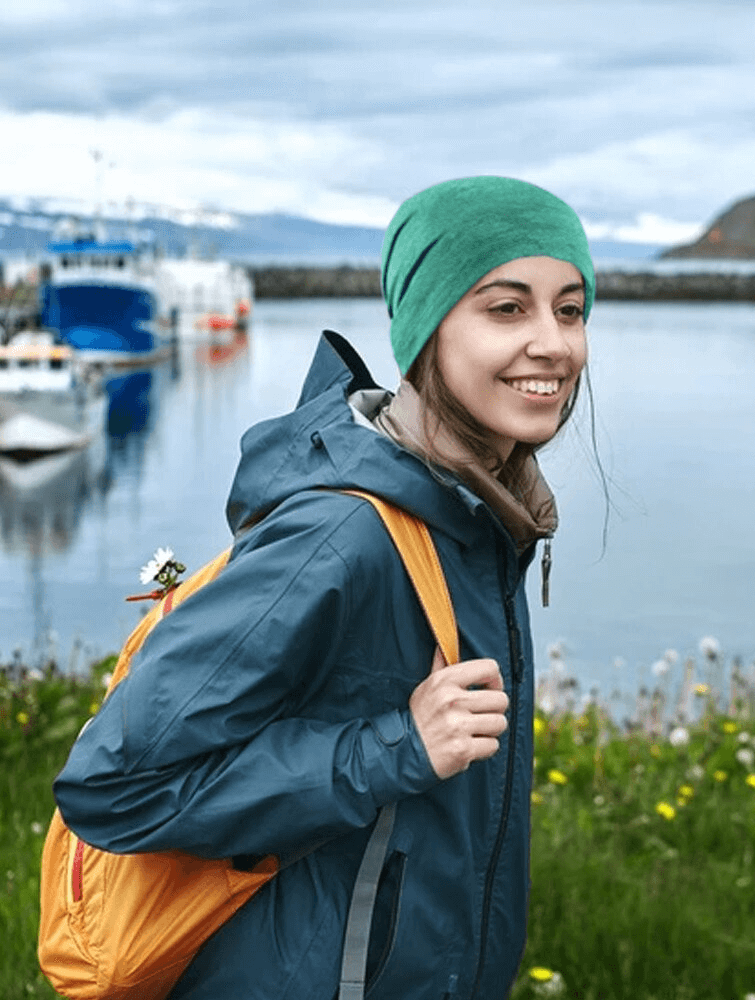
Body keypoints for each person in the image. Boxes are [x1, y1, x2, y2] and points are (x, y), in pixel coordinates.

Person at [53, 175, 595, 1000]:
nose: (554, 344)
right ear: (426, 330)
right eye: (507, 308)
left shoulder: (480, 514)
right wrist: (395, 750)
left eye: (572, 308)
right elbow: (112, 786)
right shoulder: (343, 538)